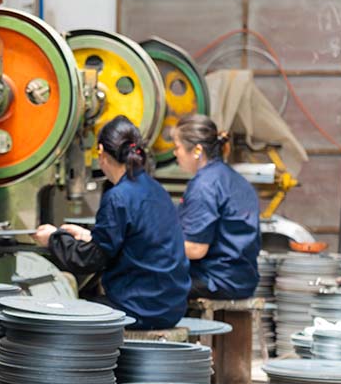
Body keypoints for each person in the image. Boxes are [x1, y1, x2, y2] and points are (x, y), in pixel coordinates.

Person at [32, 116, 190, 329]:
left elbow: (89, 260)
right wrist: (89, 236)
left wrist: (53, 239)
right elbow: (136, 240)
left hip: (139, 308)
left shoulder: (118, 197)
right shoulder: (155, 189)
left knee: (57, 312)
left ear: (101, 153)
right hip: (169, 306)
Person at [172, 114, 260, 299]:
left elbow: (196, 249)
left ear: (197, 150)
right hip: (242, 278)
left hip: (216, 279)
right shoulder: (234, 178)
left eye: (177, 147)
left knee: (143, 286)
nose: (175, 153)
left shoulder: (204, 185)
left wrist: (149, 247)